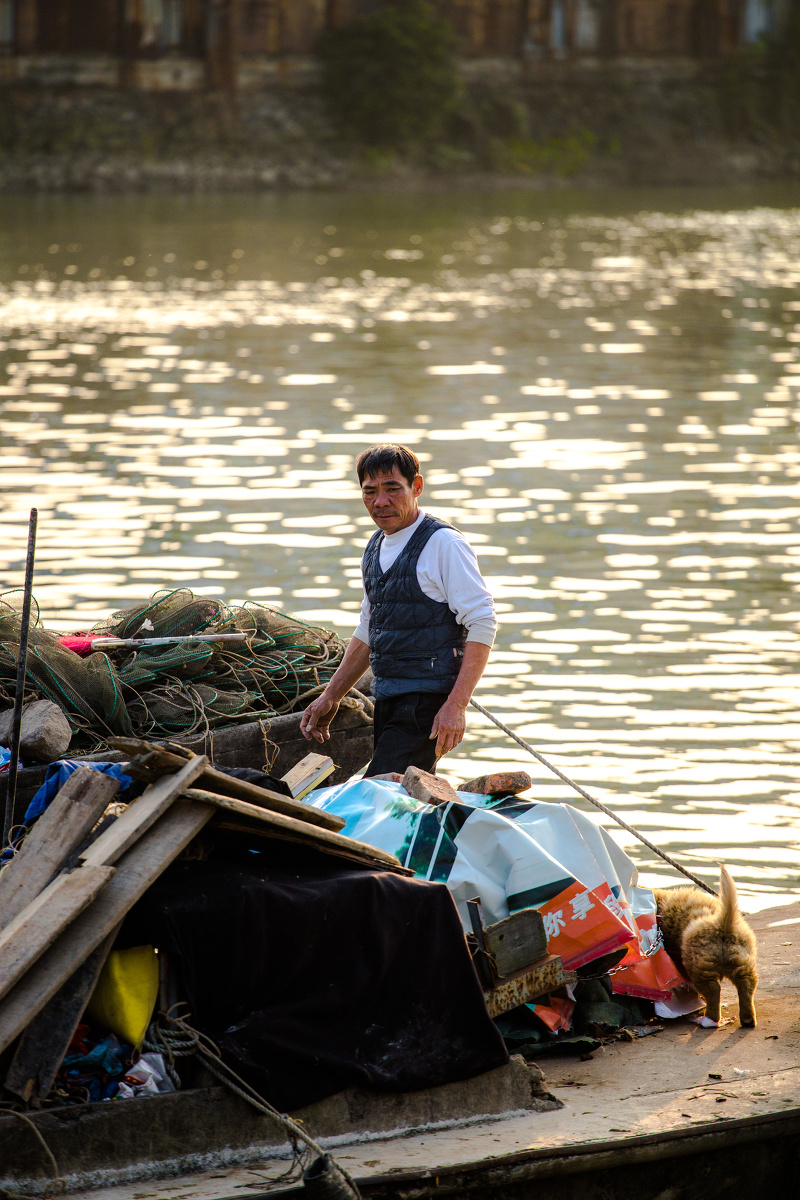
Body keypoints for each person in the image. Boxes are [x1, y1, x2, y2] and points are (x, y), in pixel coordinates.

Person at [300, 443, 496, 776]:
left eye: (393, 489)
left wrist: (456, 705)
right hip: (388, 695)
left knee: (381, 788)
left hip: (426, 701)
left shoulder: (443, 543)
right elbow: (368, 629)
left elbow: (482, 622)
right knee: (405, 794)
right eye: (370, 492)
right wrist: (331, 696)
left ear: (416, 487)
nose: (380, 502)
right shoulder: (376, 545)